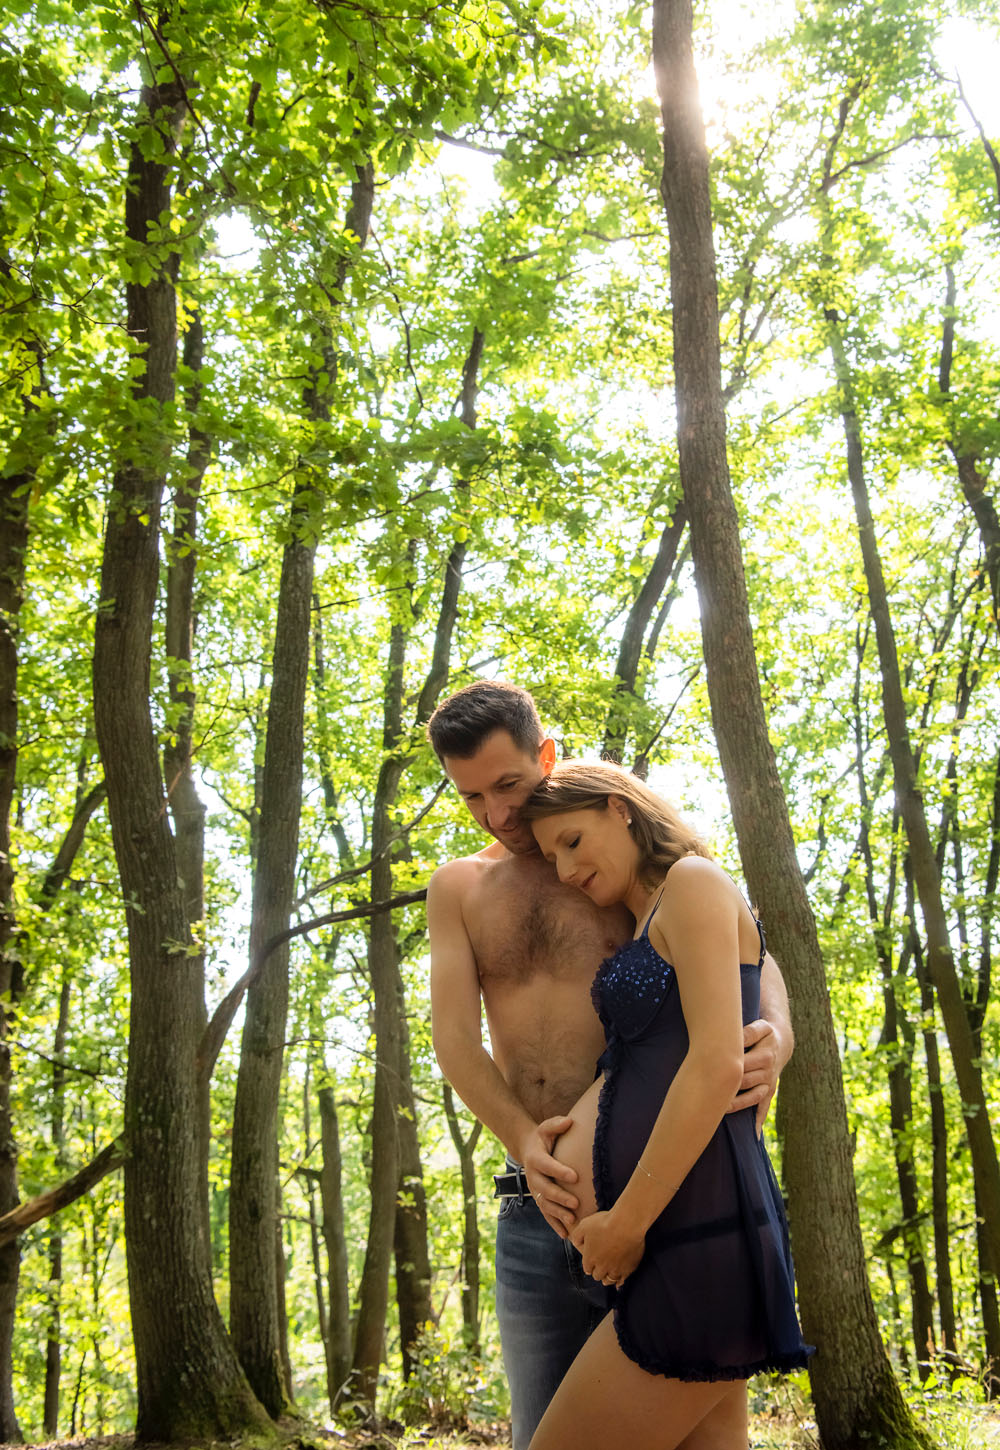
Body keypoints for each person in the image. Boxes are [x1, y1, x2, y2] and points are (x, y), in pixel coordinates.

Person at [425, 680, 796, 1449]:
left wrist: (779, 1032)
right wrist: (526, 1141)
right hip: (539, 1214)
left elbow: (740, 938)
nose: (497, 815)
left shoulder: (607, 858)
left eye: (509, 786)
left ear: (548, 758)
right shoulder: (460, 888)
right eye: (471, 799)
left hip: (667, 1198)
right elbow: (456, 1042)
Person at [518, 761, 812, 1450]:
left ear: (619, 808)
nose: (563, 870)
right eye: (549, 855)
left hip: (692, 1235)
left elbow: (715, 1064)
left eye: (571, 841)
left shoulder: (694, 882)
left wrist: (626, 1221)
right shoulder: (652, 910)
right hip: (679, 1240)